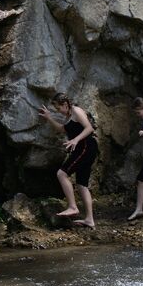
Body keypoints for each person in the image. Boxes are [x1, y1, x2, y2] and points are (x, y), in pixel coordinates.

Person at [38, 92, 98, 227]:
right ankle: (89, 219)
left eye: (58, 108)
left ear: (65, 104)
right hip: (83, 148)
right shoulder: (68, 117)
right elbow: (61, 129)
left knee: (62, 173)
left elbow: (89, 128)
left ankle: (73, 207)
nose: (58, 111)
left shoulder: (76, 111)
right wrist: (49, 117)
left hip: (86, 147)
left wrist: (75, 140)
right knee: (82, 185)